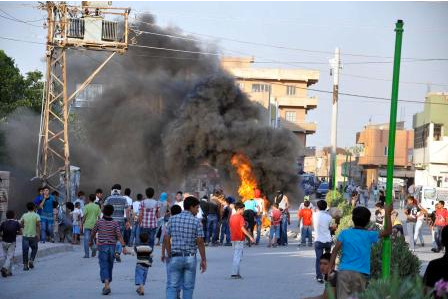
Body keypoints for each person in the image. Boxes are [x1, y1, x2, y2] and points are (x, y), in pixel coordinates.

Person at [329, 205, 392, 299]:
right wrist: (387, 213)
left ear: (353, 219)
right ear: (367, 222)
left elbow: (334, 251)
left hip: (344, 272)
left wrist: (331, 267)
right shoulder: (369, 235)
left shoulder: (344, 233)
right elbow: (388, 231)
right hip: (360, 274)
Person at [162, 196, 206, 299]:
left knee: (172, 286)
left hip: (175, 256)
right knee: (188, 287)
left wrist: (169, 254)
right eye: (197, 208)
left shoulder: (172, 219)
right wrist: (203, 259)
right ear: (191, 207)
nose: (198, 210)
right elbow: (200, 241)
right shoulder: (196, 222)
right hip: (190, 258)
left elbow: (166, 238)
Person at [89, 204, 127, 295]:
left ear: (103, 212)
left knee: (104, 265)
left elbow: (93, 232)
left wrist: (90, 241)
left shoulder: (99, 222)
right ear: (112, 213)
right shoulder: (115, 223)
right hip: (112, 247)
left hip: (102, 247)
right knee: (110, 266)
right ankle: (107, 284)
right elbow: (119, 235)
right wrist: (124, 246)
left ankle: (106, 285)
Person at [229, 202, 255, 279]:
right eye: (243, 209)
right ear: (239, 209)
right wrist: (250, 237)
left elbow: (231, 227)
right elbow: (242, 228)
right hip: (239, 239)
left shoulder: (232, 217)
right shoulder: (240, 217)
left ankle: (237, 273)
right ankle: (234, 273)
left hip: (233, 238)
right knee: (238, 257)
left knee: (236, 255)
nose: (244, 211)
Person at [105, 184, 130, 262]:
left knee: (111, 238)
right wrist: (128, 221)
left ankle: (111, 253)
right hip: (121, 221)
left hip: (110, 221)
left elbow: (104, 209)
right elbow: (127, 211)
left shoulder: (109, 199)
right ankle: (117, 253)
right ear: (120, 190)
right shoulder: (123, 199)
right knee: (120, 237)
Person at [313, 200, 333, 283]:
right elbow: (331, 228)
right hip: (328, 240)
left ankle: (319, 276)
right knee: (328, 259)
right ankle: (327, 275)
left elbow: (312, 225)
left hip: (318, 240)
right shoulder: (329, 217)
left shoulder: (314, 215)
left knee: (319, 259)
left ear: (318, 207)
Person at [20, 202, 41, 271]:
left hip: (25, 235)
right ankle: (31, 260)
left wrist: (23, 230)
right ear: (34, 208)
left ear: (27, 208)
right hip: (33, 236)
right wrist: (38, 234)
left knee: (25, 251)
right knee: (35, 248)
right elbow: (38, 226)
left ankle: (25, 266)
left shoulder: (24, 215)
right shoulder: (36, 215)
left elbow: (21, 224)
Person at [0, 210, 21, 277]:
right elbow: (21, 232)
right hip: (12, 242)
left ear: (6, 216)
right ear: (14, 216)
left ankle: (9, 272)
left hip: (4, 242)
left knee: (6, 257)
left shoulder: (3, 223)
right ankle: (5, 268)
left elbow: (0, 232)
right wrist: (16, 233)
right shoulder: (16, 223)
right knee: (10, 257)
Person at [82, 194, 101, 258]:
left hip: (87, 225)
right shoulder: (97, 207)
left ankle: (87, 255)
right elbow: (99, 217)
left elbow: (84, 217)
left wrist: (81, 224)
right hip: (95, 225)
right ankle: (94, 247)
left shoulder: (86, 206)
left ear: (89, 199)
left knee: (86, 239)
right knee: (92, 238)